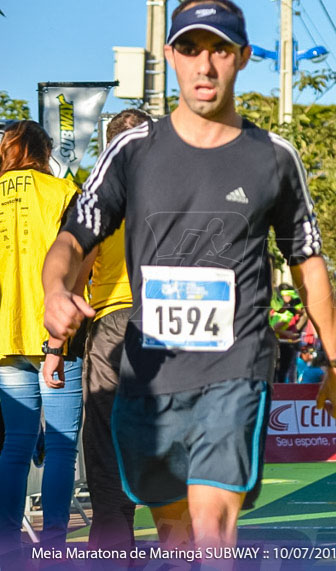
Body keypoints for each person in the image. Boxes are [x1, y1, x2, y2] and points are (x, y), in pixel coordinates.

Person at [41, 0, 336, 551]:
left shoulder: (274, 158)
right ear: (170, 55)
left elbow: (307, 261)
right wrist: (54, 289)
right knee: (174, 530)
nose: (204, 65)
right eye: (190, 49)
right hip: (150, 372)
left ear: (241, 57)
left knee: (212, 525)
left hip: (235, 367)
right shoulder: (132, 152)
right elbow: (74, 236)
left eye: (219, 50)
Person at [0, 121, 84, 554]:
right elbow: (78, 264)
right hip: (57, 333)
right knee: (61, 445)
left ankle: (7, 541)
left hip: (5, 339)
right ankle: (54, 541)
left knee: (15, 444)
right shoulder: (63, 192)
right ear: (44, 151)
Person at [80, 108, 152, 551]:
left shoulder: (94, 194)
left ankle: (111, 548)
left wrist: (55, 344)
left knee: (105, 438)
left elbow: (79, 264)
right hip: (168, 322)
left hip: (112, 318)